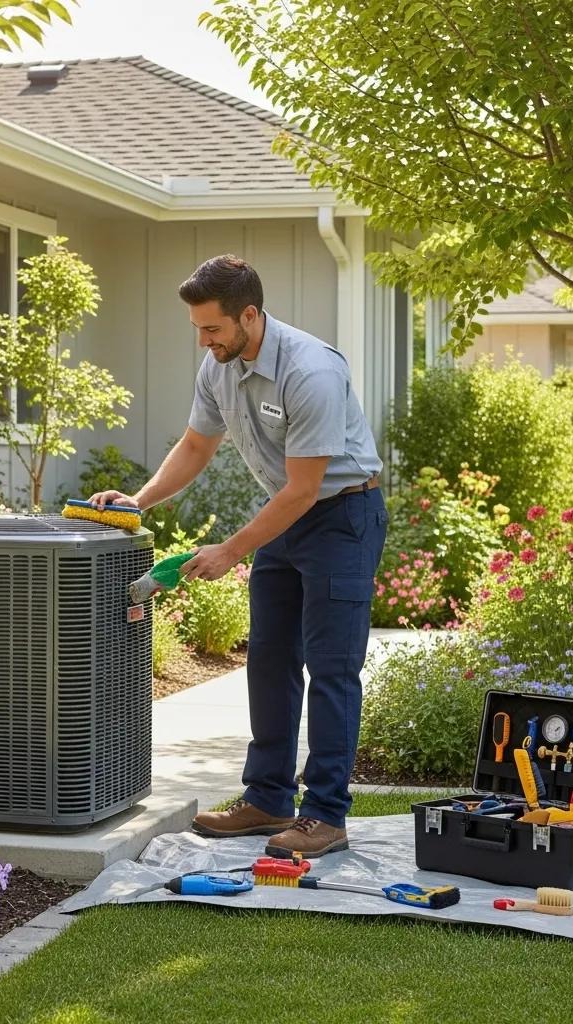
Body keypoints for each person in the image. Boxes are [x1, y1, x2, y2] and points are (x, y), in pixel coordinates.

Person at [90, 254, 387, 858]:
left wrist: (230, 549)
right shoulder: (218, 365)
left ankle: (325, 815)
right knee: (269, 662)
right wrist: (140, 501)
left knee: (331, 670)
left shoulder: (310, 371)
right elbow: (198, 443)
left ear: (249, 316)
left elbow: (307, 488)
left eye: (212, 328)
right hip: (285, 513)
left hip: (342, 517)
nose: (203, 340)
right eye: (198, 329)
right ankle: (269, 799)